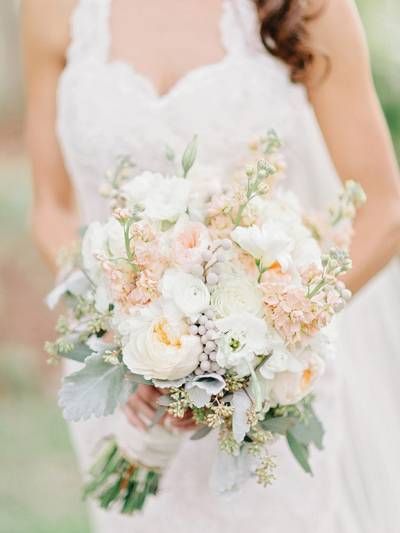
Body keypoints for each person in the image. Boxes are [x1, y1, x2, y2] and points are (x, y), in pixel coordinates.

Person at [22, 0, 400, 531]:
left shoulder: (309, 7)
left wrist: (262, 338)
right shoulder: (50, 9)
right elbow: (51, 208)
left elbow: (384, 212)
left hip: (271, 387)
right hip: (127, 382)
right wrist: (123, 325)